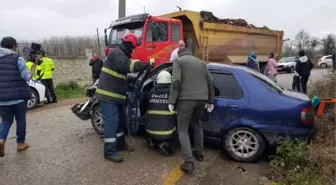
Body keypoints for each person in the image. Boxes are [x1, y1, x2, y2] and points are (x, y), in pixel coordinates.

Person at [95, 32, 153, 163]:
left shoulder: (120, 54)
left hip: (117, 97)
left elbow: (122, 74)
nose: (132, 50)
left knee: (121, 121)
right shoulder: (117, 53)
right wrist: (144, 64)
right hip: (108, 96)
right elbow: (127, 65)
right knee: (112, 123)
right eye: (132, 47)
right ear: (128, 45)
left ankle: (120, 144)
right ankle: (109, 152)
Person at [168, 48, 215, 173]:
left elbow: (176, 81)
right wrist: (210, 100)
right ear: (190, 52)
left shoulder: (178, 61)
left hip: (186, 100)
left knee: (182, 129)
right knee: (197, 125)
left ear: (179, 54)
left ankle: (189, 162)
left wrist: (172, 101)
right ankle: (199, 153)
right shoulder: (201, 62)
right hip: (202, 100)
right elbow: (211, 81)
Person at [0, 36, 39, 157]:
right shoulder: (18, 58)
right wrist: (34, 66)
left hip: (2, 99)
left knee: (6, 120)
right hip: (18, 97)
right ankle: (20, 144)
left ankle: (1, 140)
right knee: (20, 120)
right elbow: (27, 77)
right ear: (13, 46)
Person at [143, 71, 178, 156]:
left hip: (150, 131)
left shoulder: (151, 92)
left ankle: (152, 141)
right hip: (167, 133)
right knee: (181, 132)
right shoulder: (172, 94)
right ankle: (167, 145)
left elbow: (145, 106)